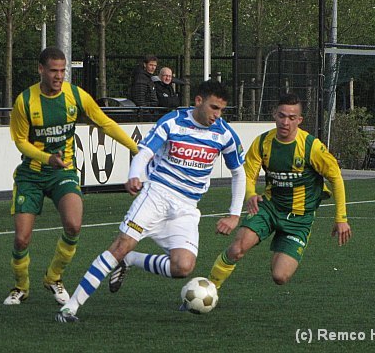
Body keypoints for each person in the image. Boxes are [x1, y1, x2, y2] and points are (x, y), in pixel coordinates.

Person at [56, 80, 246, 323]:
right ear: (199, 101)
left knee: (183, 267)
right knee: (120, 245)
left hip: (187, 207)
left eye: (221, 110)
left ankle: (131, 260)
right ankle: (70, 308)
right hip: (156, 195)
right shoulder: (172, 122)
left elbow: (238, 172)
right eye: (214, 108)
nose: (217, 115)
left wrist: (234, 214)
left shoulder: (224, 134)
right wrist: (135, 174)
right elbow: (145, 151)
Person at [4, 47, 139, 305]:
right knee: (21, 238)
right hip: (31, 175)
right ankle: (20, 287)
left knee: (74, 225)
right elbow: (20, 142)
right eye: (53, 71)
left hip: (63, 171)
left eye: (62, 70)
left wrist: (135, 148)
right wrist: (46, 158)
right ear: (40, 70)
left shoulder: (75, 95)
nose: (59, 76)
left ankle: (53, 277)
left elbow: (104, 122)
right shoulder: (25, 101)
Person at [207, 92, 352, 291]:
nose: (286, 122)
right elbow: (248, 176)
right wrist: (250, 195)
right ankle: (209, 288)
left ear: (299, 120)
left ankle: (283, 244)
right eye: (282, 116)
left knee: (280, 276)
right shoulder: (262, 143)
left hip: (299, 218)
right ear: (274, 115)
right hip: (269, 208)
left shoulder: (312, 147)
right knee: (237, 249)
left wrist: (341, 218)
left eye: (292, 118)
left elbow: (335, 177)